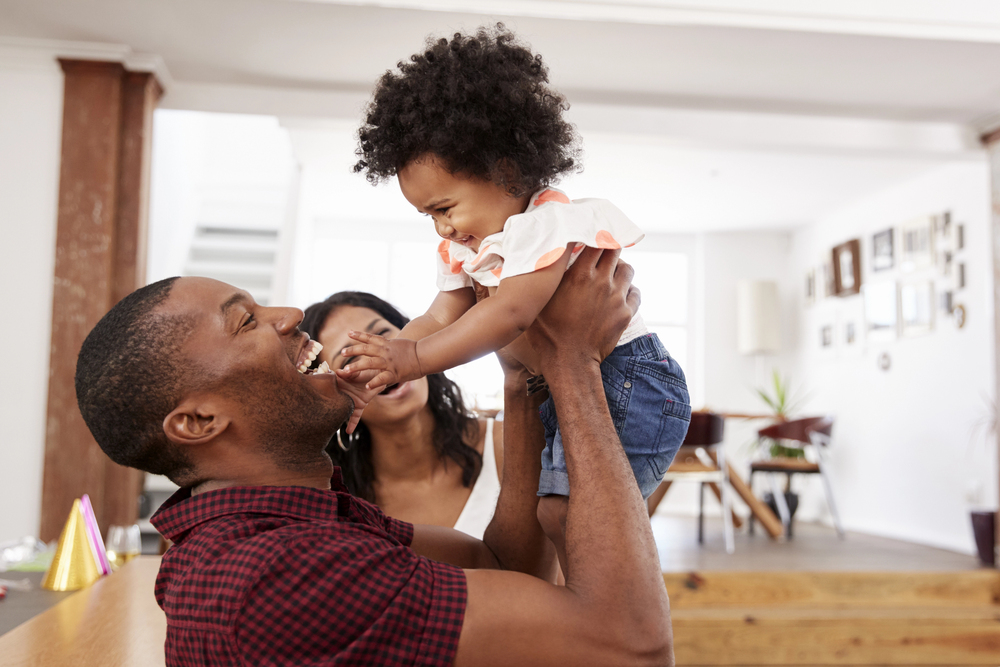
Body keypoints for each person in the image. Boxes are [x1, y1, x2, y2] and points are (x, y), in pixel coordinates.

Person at [74, 247, 673, 666]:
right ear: (199, 421)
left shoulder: (301, 521)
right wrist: (573, 359)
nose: (289, 317)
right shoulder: (281, 574)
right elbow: (629, 646)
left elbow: (500, 565)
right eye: (247, 322)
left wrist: (521, 372)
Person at [346, 25, 691, 568]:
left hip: (632, 381)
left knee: (579, 518)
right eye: (428, 217)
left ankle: (608, 616)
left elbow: (510, 315)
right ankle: (585, 613)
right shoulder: (471, 249)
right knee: (554, 514)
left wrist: (411, 358)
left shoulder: (546, 225)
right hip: (565, 383)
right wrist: (383, 369)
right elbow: (441, 314)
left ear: (505, 171)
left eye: (444, 208)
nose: (441, 229)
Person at [301, 291, 503, 538]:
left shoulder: (507, 443)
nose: (379, 359)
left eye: (383, 336)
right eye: (351, 360)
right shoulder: (342, 508)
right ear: (333, 400)